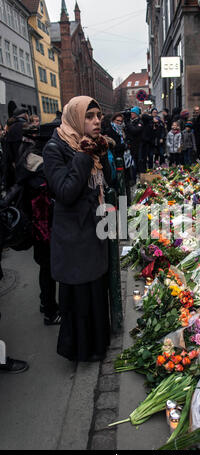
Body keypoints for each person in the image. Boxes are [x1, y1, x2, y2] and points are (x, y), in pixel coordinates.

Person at [43, 96, 112, 362]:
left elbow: (106, 181)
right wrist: (84, 156)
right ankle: (82, 350)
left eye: (98, 116)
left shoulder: (91, 146)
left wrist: (102, 153)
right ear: (75, 117)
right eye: (89, 116)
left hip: (94, 228)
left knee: (96, 290)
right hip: (74, 235)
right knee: (80, 295)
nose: (96, 121)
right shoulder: (55, 148)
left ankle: (98, 346)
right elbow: (65, 191)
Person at [16, 123, 60, 326]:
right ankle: (50, 312)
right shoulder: (39, 164)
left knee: (45, 268)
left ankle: (46, 304)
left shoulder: (29, 157)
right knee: (49, 269)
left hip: (39, 226)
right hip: (43, 227)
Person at [3, 108, 29, 190]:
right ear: (25, 115)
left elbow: (8, 152)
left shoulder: (11, 129)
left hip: (16, 166)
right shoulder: (28, 127)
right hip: (29, 165)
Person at [124, 107, 143, 176]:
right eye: (131, 113)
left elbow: (134, 131)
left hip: (137, 145)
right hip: (130, 144)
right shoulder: (130, 121)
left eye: (133, 113)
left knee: (138, 161)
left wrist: (127, 123)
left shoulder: (139, 122)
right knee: (131, 161)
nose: (131, 114)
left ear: (137, 114)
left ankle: (139, 175)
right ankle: (133, 176)